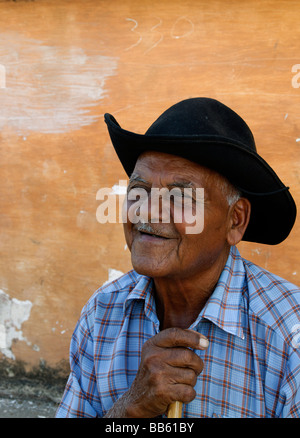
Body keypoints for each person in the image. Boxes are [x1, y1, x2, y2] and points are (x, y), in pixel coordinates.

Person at [56, 98, 300, 418]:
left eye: (180, 196)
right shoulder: (102, 314)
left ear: (235, 220)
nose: (147, 210)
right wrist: (129, 408)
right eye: (139, 190)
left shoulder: (289, 334)